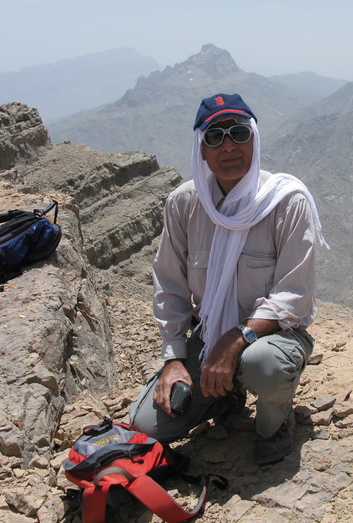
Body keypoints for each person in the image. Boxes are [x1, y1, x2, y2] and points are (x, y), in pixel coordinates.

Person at [129, 93, 327, 465]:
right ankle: (224, 392)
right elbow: (169, 285)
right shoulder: (184, 203)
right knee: (146, 426)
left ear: (254, 139)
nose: (229, 146)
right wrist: (173, 359)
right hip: (208, 339)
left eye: (239, 133)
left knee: (263, 365)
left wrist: (235, 341)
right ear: (201, 150)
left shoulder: (286, 201)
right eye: (215, 137)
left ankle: (276, 421)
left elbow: (294, 294)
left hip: (273, 335)